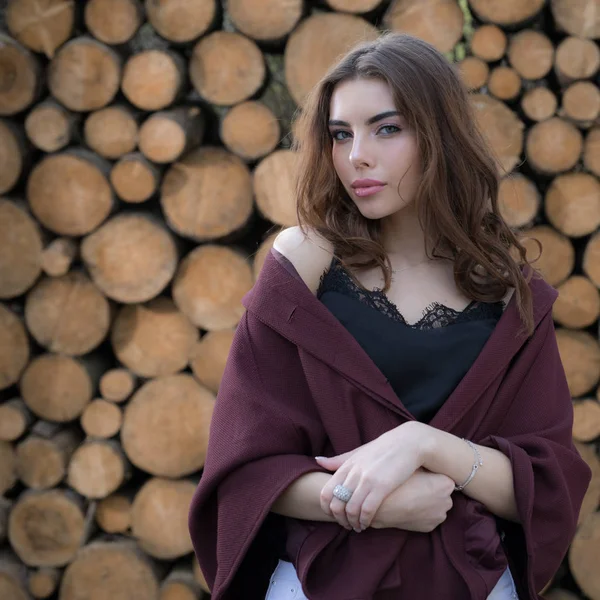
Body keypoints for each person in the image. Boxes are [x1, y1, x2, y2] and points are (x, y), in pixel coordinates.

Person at [188, 32, 591, 600]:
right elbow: (246, 468)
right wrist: (378, 506)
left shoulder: (507, 293)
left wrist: (425, 446)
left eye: (386, 128)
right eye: (340, 134)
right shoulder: (304, 263)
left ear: (439, 136)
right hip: (319, 584)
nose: (358, 156)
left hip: (470, 586)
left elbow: (545, 484)